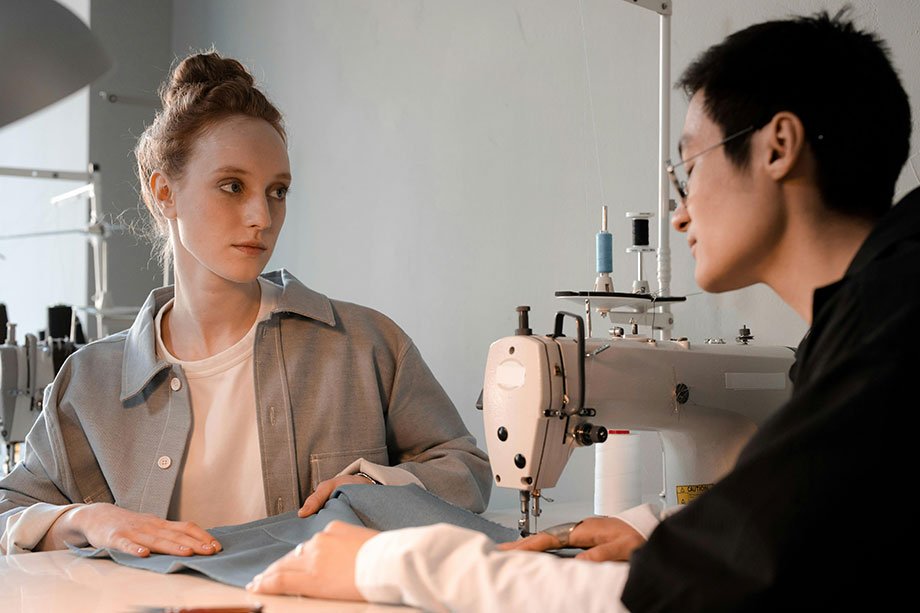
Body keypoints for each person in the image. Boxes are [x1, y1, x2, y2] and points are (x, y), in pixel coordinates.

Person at [247, 9, 917, 610]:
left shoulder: (895, 324)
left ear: (778, 146)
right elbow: (804, 519)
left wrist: (383, 563)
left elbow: (712, 591)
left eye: (689, 167)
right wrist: (663, 533)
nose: (680, 210)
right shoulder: (867, 316)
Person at [0, 51, 491, 557]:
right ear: (164, 192)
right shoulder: (89, 383)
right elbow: (7, 511)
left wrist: (379, 485)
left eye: (277, 191)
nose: (262, 216)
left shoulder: (365, 344)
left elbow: (467, 471)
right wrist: (86, 520)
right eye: (232, 187)